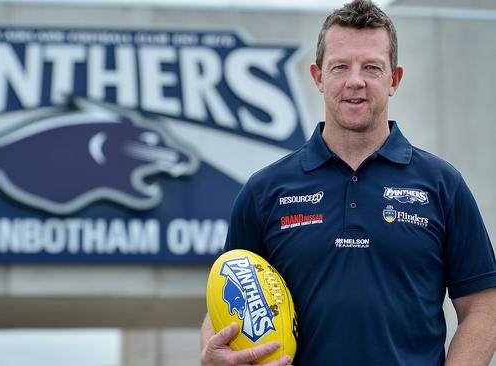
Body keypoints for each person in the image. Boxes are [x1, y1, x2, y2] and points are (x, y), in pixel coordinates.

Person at [200, 0, 496, 365]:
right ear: (318, 76)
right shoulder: (265, 191)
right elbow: (222, 300)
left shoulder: (442, 185)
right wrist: (215, 354)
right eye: (340, 66)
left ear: (394, 79)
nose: (355, 81)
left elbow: (483, 304)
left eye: (372, 67)